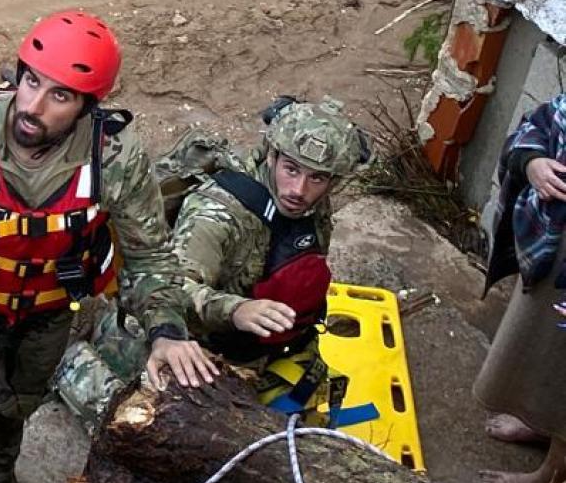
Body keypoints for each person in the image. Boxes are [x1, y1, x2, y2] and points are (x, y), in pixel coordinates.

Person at [0, 10, 214, 483]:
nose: (33, 106)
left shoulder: (113, 158)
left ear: (87, 106)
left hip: (43, 315)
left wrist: (166, 330)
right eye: (31, 82)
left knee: (8, 418)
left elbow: (149, 254)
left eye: (60, 95)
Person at [55, 97, 372, 430]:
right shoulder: (217, 214)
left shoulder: (308, 204)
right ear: (273, 155)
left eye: (317, 179)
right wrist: (236, 310)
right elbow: (173, 290)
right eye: (291, 170)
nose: (299, 189)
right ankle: (70, 364)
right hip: (180, 337)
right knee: (164, 426)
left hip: (256, 346)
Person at [475, 93, 566, 483]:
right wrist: (533, 164)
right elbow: (538, 125)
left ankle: (547, 477)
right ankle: (536, 420)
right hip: (554, 259)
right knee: (536, 350)